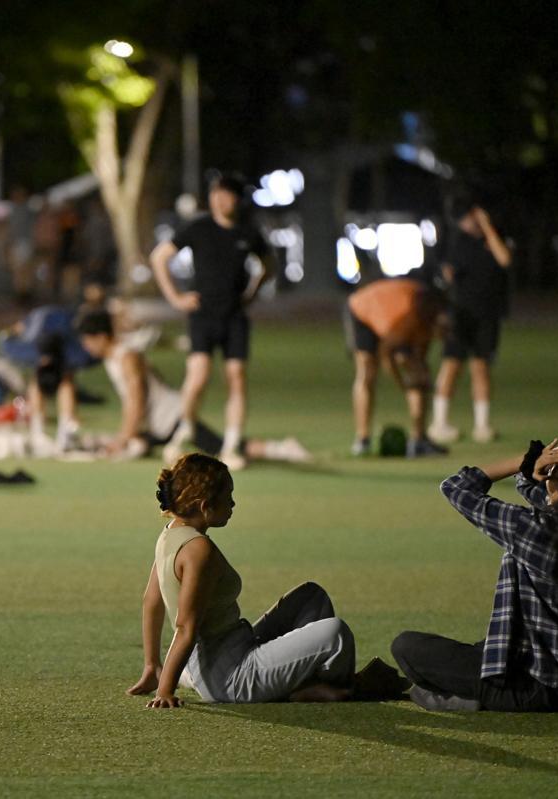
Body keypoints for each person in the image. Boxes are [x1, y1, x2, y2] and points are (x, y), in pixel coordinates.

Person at [128, 453, 401, 707]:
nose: (233, 504)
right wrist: (165, 691)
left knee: (311, 596)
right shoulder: (199, 550)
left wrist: (152, 665)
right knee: (336, 633)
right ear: (204, 506)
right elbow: (185, 626)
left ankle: (300, 679)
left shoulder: (169, 534)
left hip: (226, 652)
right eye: (228, 497)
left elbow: (151, 600)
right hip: (231, 677)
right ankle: (331, 688)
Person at [391, 431, 558, 712]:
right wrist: (539, 469)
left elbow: (456, 488)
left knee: (406, 647)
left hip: (532, 687)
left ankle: (473, 698)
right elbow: (540, 495)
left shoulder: (538, 531)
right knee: (484, 647)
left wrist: (527, 460)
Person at [150, 173, 275, 470]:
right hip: (203, 314)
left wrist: (252, 292)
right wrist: (175, 298)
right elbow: (159, 257)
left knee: (236, 376)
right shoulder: (198, 227)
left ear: (238, 200)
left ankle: (231, 445)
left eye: (226, 195)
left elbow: (269, 265)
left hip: (234, 315)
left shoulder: (248, 231)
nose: (220, 200)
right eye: (215, 194)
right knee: (198, 377)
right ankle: (184, 430)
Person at [76, 310, 310, 463]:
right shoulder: (114, 357)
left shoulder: (126, 357)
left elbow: (136, 399)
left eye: (87, 341)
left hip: (172, 419)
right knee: (134, 447)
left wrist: (124, 437)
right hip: (156, 426)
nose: (86, 347)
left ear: (101, 337)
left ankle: (281, 448)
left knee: (220, 448)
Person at [428, 192, 512, 444]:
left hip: (488, 314)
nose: (468, 222)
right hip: (460, 314)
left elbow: (505, 259)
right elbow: (446, 272)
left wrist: (487, 227)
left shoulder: (494, 237)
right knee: (451, 365)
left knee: (481, 367)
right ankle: (439, 423)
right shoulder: (456, 240)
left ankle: (482, 426)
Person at [346, 277, 449, 458]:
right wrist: (401, 383)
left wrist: (419, 375)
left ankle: (419, 439)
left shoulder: (430, 313)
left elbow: (418, 361)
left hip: (391, 307)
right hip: (361, 309)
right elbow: (386, 355)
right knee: (367, 371)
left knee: (416, 371)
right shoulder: (405, 321)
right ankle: (362, 439)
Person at [0, 305, 98, 453]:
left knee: (66, 379)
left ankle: (66, 429)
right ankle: (38, 429)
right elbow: (11, 332)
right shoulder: (23, 349)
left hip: (67, 329)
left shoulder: (76, 354)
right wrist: (12, 331)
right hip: (38, 328)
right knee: (39, 380)